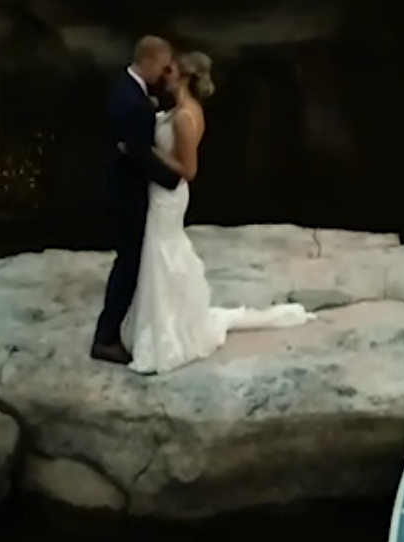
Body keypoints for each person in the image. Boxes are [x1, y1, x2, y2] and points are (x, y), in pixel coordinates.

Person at [123, 51, 313, 373]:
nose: (165, 73)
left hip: (168, 196)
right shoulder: (182, 109)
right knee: (159, 252)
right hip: (161, 193)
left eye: (170, 70)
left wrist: (147, 154)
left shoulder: (185, 117)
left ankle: (169, 330)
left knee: (162, 251)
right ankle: (160, 320)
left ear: (182, 76)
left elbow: (188, 169)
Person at [92, 37, 185, 365]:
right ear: (149, 61)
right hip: (127, 191)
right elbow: (139, 155)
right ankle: (105, 336)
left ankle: (124, 325)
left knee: (133, 258)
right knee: (130, 260)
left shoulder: (124, 87)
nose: (165, 72)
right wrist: (174, 179)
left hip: (120, 184)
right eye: (163, 65)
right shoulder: (135, 104)